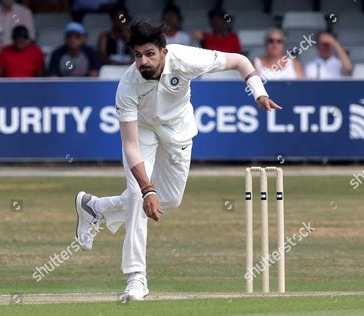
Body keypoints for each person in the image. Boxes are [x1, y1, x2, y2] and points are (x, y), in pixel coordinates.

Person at [74, 19, 281, 302]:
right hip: (144, 132)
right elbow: (131, 145)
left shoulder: (186, 59)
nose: (143, 61)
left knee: (169, 199)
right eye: (137, 55)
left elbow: (240, 61)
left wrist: (259, 92)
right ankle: (136, 278)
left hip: (177, 132)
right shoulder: (127, 86)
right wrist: (146, 189)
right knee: (138, 196)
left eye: (150, 53)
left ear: (164, 51)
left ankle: (96, 207)